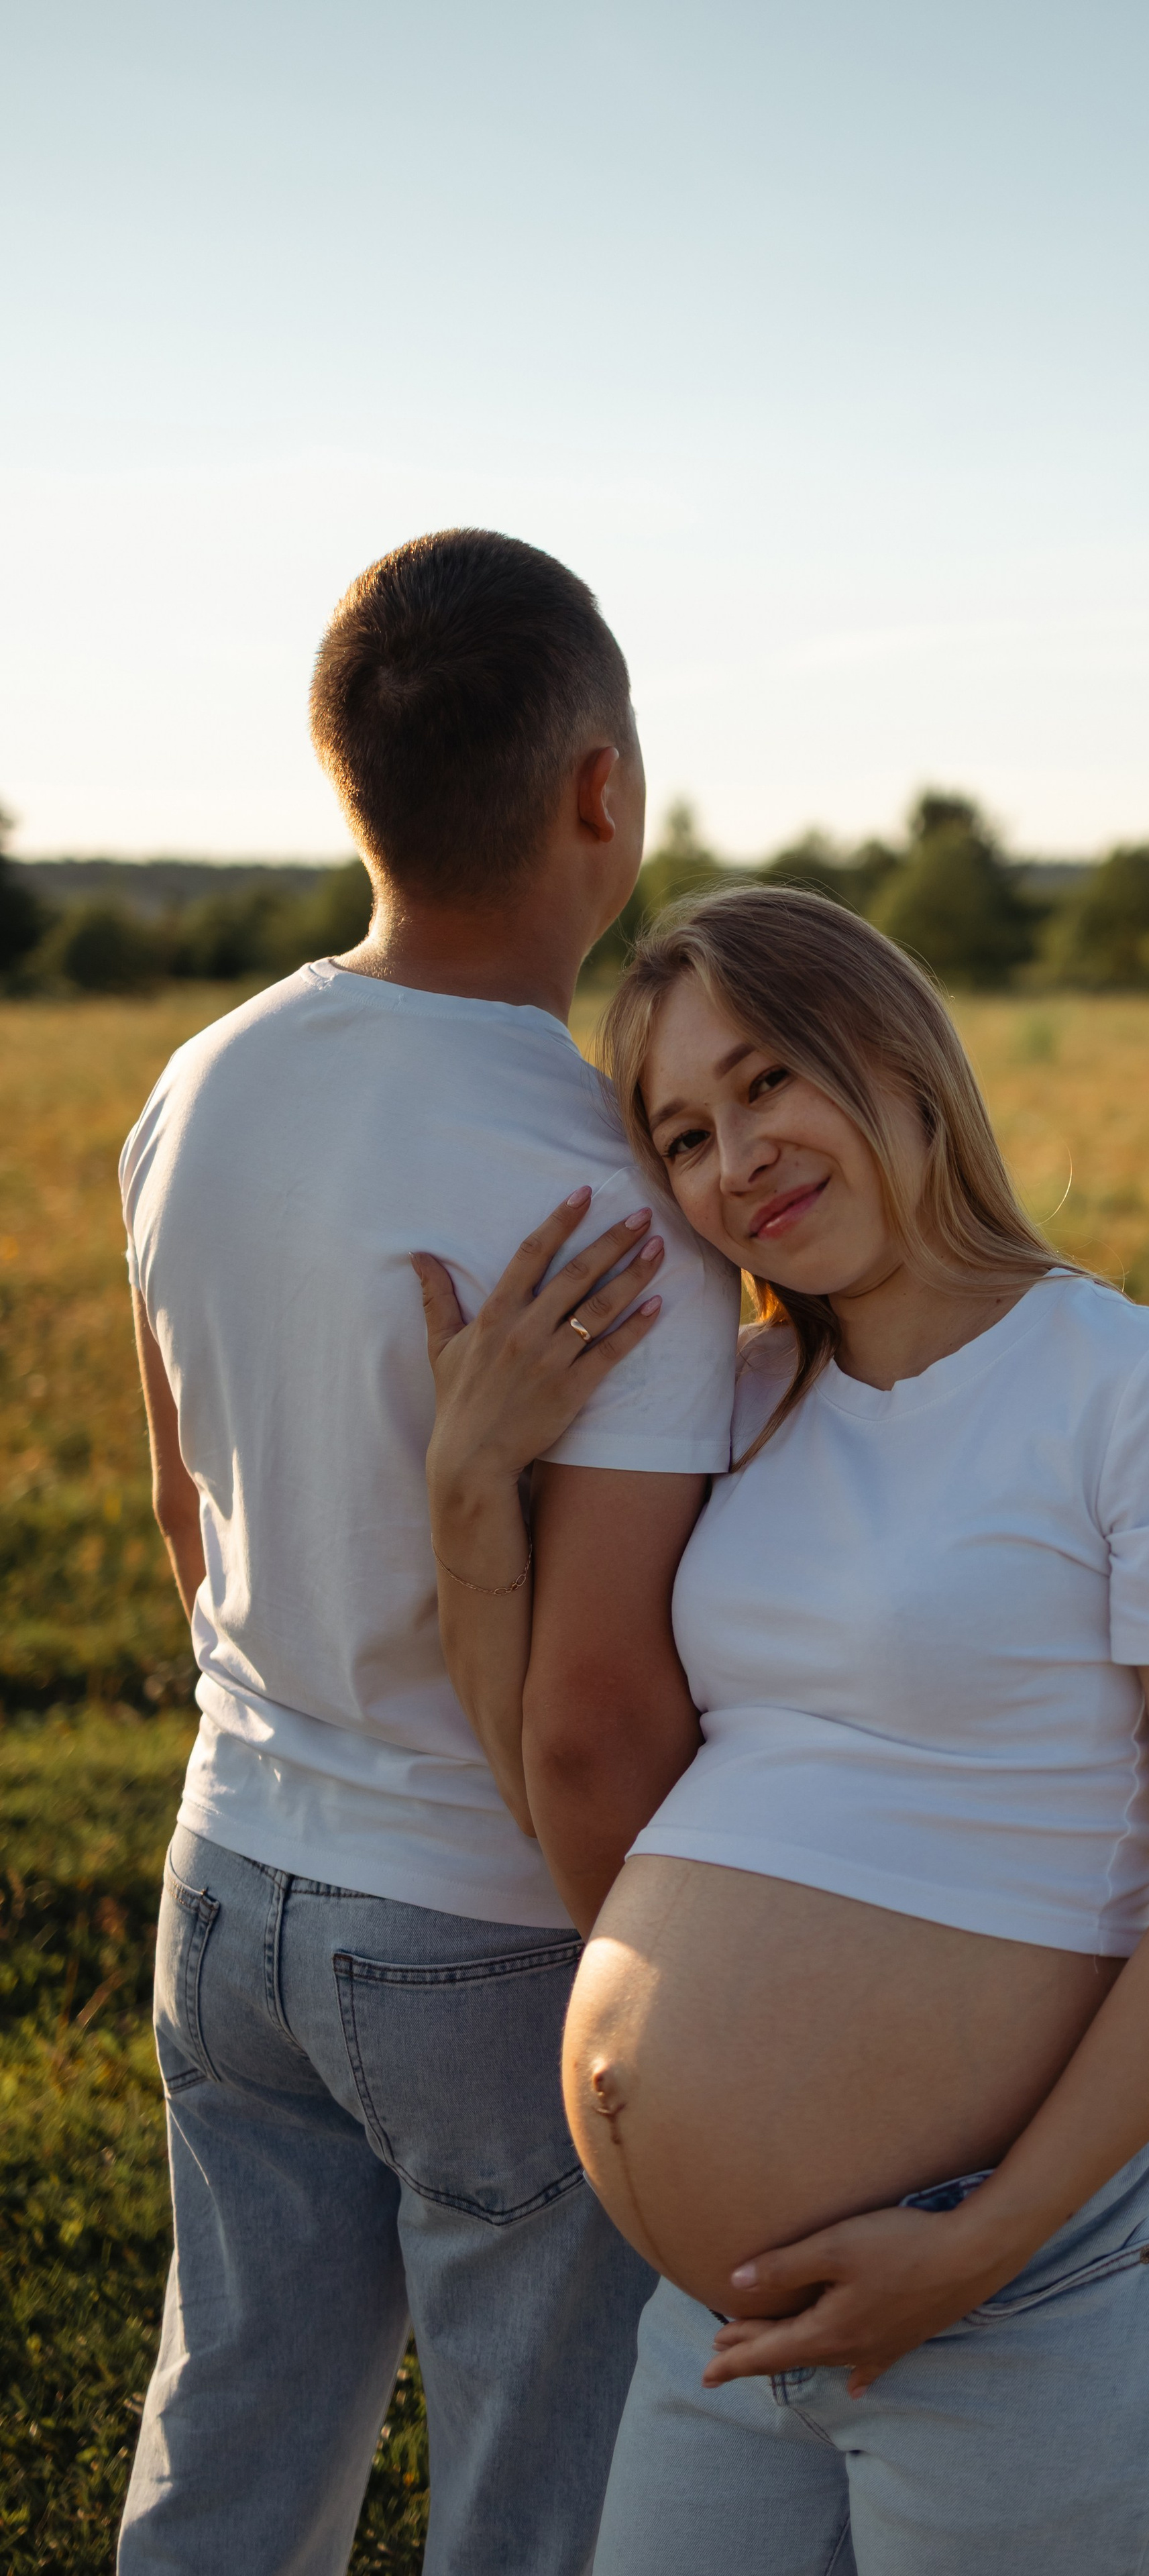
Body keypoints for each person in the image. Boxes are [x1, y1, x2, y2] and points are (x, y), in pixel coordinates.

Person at [419, 884, 1149, 2575]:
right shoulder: (735, 1407)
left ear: (893, 1056)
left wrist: (980, 2240)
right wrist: (472, 1491)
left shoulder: (1136, 1386)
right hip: (716, 2323)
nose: (731, 1159)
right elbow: (566, 1771)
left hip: (1018, 2305)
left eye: (767, 1082)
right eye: (682, 1135)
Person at [117, 529, 738, 2576]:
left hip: (227, 1885)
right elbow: (585, 1725)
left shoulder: (201, 1087)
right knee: (536, 2514)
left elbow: (179, 1509)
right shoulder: (610, 1206)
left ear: (346, 781)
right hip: (485, 1940)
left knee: (229, 2467)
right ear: (600, 793)